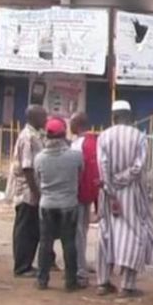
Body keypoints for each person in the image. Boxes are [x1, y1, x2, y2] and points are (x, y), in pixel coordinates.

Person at [96, 101, 153, 298]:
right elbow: (139, 167)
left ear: (113, 117)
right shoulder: (139, 137)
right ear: (130, 117)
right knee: (133, 235)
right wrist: (122, 180)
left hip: (108, 193)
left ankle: (103, 282)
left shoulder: (104, 136)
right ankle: (127, 285)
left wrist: (110, 185)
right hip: (131, 192)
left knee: (106, 234)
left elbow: (102, 165)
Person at [34, 117, 85, 291]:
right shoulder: (76, 156)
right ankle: (70, 282)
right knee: (69, 243)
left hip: (47, 204)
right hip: (69, 204)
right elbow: (80, 176)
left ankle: (42, 280)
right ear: (64, 135)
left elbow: (38, 179)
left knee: (45, 243)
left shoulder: (39, 158)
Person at [10, 105, 47, 277]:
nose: (45, 120)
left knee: (32, 229)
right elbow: (27, 167)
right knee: (25, 229)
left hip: (32, 189)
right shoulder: (28, 137)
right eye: (43, 116)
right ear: (34, 118)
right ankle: (22, 266)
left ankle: (26, 264)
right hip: (26, 190)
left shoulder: (37, 135)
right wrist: (35, 191)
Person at [70, 112, 100, 284]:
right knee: (83, 230)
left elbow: (76, 171)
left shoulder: (78, 145)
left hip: (78, 192)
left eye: (72, 122)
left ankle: (80, 270)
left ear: (77, 124)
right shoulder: (94, 142)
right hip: (91, 192)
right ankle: (82, 264)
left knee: (78, 233)